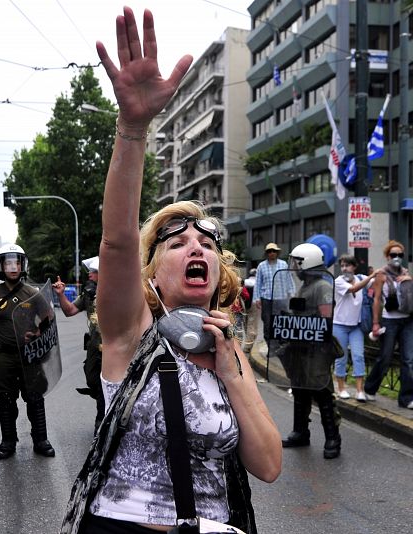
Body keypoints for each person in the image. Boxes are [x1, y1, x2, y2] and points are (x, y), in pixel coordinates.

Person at [62, 9, 281, 533]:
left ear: (218, 270)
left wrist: (231, 369)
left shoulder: (226, 350)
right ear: (153, 275)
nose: (196, 248)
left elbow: (268, 465)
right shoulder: (128, 333)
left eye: (206, 243)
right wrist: (133, 128)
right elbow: (116, 239)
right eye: (178, 243)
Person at [0, 243, 56, 459]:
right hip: (3, 356)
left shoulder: (32, 293)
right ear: (1, 265)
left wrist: (38, 334)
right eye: (8, 262)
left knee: (35, 397)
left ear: (22, 265)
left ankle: (41, 439)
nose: (12, 267)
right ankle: (8, 442)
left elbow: (48, 318)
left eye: (16, 262)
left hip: (29, 355)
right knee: (6, 399)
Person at [279, 243, 343, 459]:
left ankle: (332, 437)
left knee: (322, 390)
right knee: (300, 389)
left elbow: (326, 318)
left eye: (297, 262)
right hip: (299, 347)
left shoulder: (322, 287)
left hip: (317, 348)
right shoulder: (305, 286)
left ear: (307, 263)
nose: (294, 266)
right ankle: (300, 432)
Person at [53, 256, 104, 430]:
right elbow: (70, 310)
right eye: (90, 271)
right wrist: (60, 295)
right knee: (92, 379)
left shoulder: (119, 292)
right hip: (94, 347)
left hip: (115, 347)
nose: (89, 274)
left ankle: (102, 416)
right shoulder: (88, 294)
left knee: (108, 381)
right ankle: (103, 406)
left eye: (94, 272)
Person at [364, 241, 413, 409]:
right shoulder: (381, 275)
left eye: (400, 255)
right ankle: (369, 388)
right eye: (393, 255)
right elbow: (376, 300)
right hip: (389, 321)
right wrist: (376, 323)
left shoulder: (407, 274)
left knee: (408, 360)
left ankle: (406, 398)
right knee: (385, 357)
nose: (397, 258)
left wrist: (409, 280)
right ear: (387, 257)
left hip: (407, 320)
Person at [333, 254, 376, 401]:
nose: (345, 269)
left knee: (358, 356)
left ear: (354, 267)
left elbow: (377, 283)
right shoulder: (338, 281)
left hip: (356, 326)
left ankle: (359, 391)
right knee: (341, 357)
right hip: (339, 325)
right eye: (342, 266)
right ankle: (341, 388)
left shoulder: (361, 278)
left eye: (348, 265)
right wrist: (371, 277)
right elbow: (354, 289)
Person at [253, 243, 296, 349]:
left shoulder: (283, 265)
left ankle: (282, 344)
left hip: (281, 298)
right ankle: (271, 346)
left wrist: (292, 294)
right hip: (267, 298)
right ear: (267, 253)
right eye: (269, 251)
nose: (272, 253)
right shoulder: (261, 266)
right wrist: (257, 298)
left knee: (282, 321)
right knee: (267, 322)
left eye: (273, 251)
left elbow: (288, 279)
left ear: (277, 253)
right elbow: (258, 283)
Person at [241, 268, 258, 354]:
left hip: (244, 305)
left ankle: (246, 343)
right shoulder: (258, 283)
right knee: (252, 324)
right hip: (254, 305)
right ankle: (248, 346)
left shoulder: (245, 281)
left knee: (245, 324)